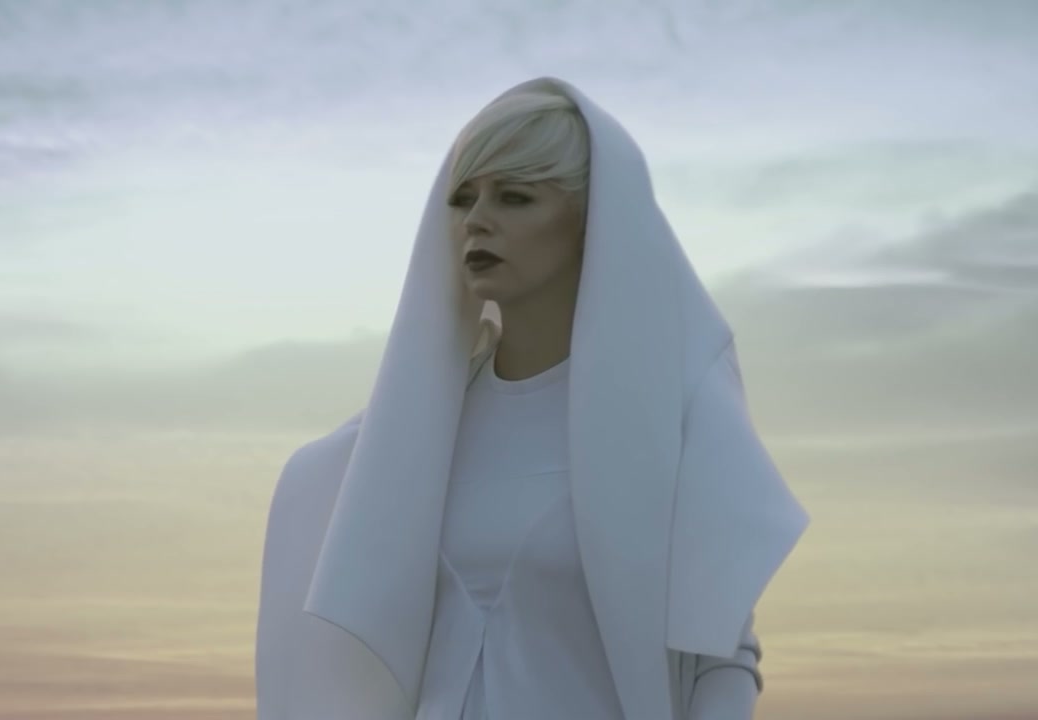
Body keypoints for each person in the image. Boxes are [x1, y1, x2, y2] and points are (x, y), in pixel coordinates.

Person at [255, 76, 810, 720]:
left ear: (592, 221)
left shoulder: (674, 418)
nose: (477, 220)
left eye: (515, 197)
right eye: (464, 198)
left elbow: (721, 654)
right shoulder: (398, 445)